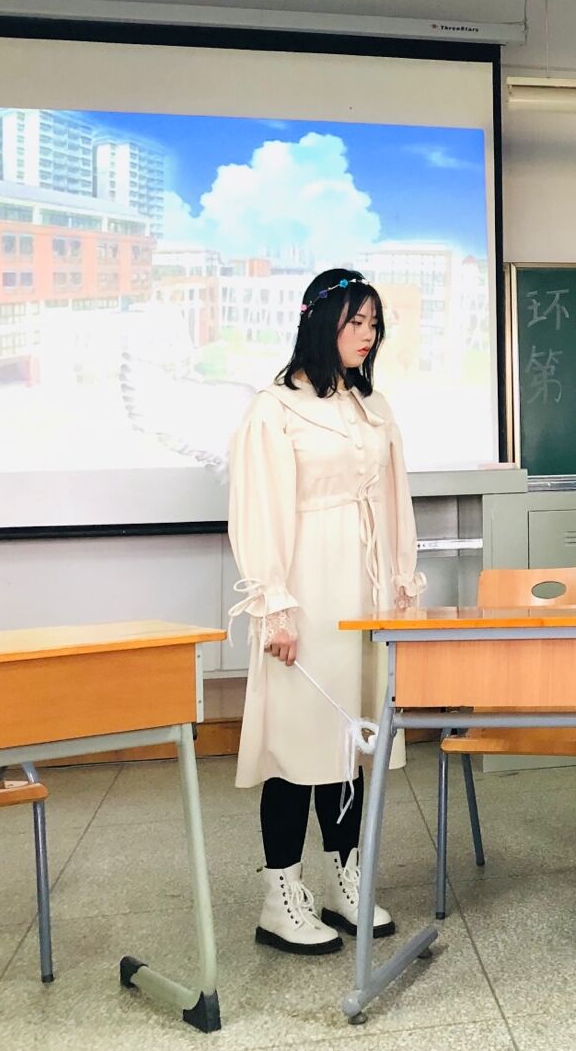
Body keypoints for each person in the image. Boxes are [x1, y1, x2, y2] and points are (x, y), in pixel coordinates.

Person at [227, 268, 425, 955]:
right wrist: (274, 605)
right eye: (354, 322)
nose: (367, 336)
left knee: (349, 741)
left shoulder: (372, 407)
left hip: (363, 591)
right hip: (306, 589)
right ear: (320, 322)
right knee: (296, 744)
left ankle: (346, 877)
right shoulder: (274, 408)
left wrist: (399, 585)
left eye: (374, 324)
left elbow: (394, 502)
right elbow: (259, 509)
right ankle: (279, 894)